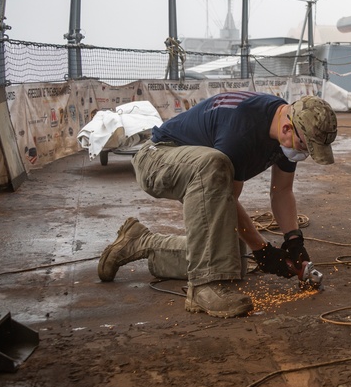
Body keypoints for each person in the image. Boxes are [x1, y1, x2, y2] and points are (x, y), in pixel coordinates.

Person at [97, 92, 338, 318]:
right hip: (157, 158)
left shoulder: (286, 122)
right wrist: (262, 249)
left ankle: (140, 242)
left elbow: (282, 191)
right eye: (306, 147)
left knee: (231, 260)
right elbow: (228, 201)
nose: (304, 154)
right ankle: (203, 288)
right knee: (213, 165)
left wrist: (294, 240)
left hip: (191, 162)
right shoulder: (243, 131)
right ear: (287, 128)